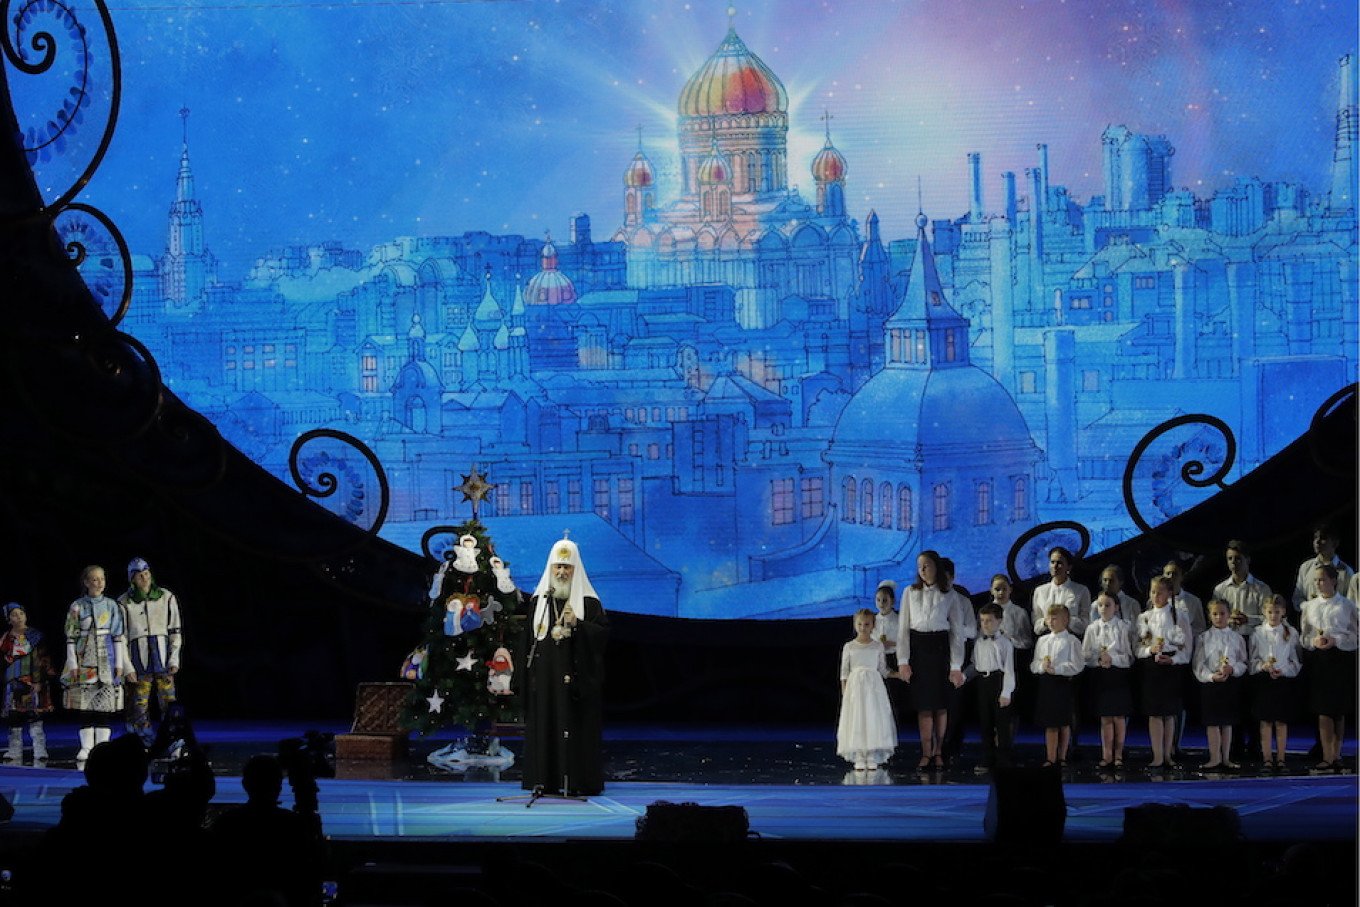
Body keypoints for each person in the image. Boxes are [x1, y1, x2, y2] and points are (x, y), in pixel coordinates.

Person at [516, 536, 609, 795]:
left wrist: (579, 626)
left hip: (575, 682)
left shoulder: (589, 603)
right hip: (544, 680)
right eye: (557, 566)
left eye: (567, 567)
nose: (561, 572)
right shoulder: (539, 602)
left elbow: (602, 637)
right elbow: (527, 644)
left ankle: (577, 782)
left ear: (575, 570)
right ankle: (542, 779)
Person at [210, 754, 327, 907]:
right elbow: (315, 869)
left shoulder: (226, 823)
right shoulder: (294, 825)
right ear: (279, 784)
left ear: (245, 784)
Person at [897, 550, 969, 771]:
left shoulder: (950, 595)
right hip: (919, 651)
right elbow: (903, 629)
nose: (923, 569)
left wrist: (955, 666)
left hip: (940, 650)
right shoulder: (910, 592)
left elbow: (957, 632)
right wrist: (903, 661)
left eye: (927, 565)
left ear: (936, 567)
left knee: (940, 706)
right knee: (924, 706)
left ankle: (939, 752)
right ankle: (926, 752)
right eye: (920, 566)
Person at [62, 565, 133, 767]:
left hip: (106, 658)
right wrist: (73, 664)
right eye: (94, 579)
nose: (99, 582)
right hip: (84, 659)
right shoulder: (77, 606)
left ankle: (103, 746)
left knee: (104, 704)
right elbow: (70, 638)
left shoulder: (111, 606)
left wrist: (119, 664)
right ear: (86, 582)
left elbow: (118, 636)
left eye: (101, 578)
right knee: (86, 704)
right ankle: (86, 747)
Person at [117, 557, 183, 745]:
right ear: (132, 579)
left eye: (146, 574)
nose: (144, 579)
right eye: (139, 576)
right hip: (139, 659)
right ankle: (142, 740)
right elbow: (120, 637)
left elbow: (175, 630)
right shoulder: (123, 602)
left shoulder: (165, 597)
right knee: (139, 703)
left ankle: (173, 738)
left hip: (161, 657)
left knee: (168, 701)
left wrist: (173, 659)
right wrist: (127, 666)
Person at [1299, 563, 1357, 773]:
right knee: (1323, 710)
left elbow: (1354, 635)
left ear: (1334, 581)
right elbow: (1304, 636)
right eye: (1316, 580)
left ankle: (1336, 754)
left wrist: (1336, 640)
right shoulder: (1309, 606)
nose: (1319, 584)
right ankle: (1326, 755)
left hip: (1339, 658)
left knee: (1338, 710)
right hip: (1319, 660)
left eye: (1322, 579)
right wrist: (1313, 641)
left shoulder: (1346, 605)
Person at [1136, 574, 1192, 771]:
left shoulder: (1180, 616)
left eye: (1160, 592)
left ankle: (1169, 754)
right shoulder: (1144, 617)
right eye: (1153, 592)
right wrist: (1149, 650)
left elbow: (1187, 649)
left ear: (1169, 593)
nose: (1156, 596)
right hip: (1152, 668)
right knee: (1154, 714)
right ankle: (1157, 755)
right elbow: (1137, 648)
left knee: (1169, 714)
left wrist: (1173, 659)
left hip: (1171, 668)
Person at [836, 609, 896, 771]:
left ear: (873, 626)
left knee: (872, 717)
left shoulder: (877, 646)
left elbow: (882, 669)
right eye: (860, 624)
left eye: (867, 624)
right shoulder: (849, 647)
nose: (863, 627)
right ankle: (860, 754)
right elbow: (844, 672)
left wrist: (897, 674)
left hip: (874, 688)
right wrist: (845, 692)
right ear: (855, 625)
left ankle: (871, 753)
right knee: (857, 718)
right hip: (856, 688)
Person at [1192, 599, 1248, 771]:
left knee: (1227, 722)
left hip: (1229, 683)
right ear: (1209, 616)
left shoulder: (1237, 638)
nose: (1219, 617)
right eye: (1215, 614)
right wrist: (1210, 676)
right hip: (1211, 684)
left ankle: (1226, 758)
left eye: (1222, 613)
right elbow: (1198, 664)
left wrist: (1232, 669)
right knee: (1213, 722)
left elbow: (1243, 662)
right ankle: (1214, 757)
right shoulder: (1203, 638)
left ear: (1229, 615)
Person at [1250, 594, 1302, 772]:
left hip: (1282, 681)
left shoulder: (1291, 633)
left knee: (1281, 721)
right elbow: (1252, 660)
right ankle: (1266, 758)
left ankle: (1280, 758)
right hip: (1264, 681)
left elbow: (1296, 661)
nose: (1273, 616)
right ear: (1264, 612)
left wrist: (1285, 670)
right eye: (1270, 612)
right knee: (1265, 722)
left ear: (1283, 612)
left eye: (1277, 612)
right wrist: (1262, 666)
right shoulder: (1257, 633)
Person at [1082, 592, 1133, 769]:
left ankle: (1119, 754)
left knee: (1118, 717)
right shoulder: (1092, 628)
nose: (1103, 609)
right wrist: (1097, 660)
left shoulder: (1123, 627)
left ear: (1116, 607)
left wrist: (1112, 659)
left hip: (1118, 675)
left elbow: (1128, 656)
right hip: (1100, 676)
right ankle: (1107, 755)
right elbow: (1085, 655)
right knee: (1105, 718)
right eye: (1100, 605)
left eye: (1108, 605)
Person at [0, 603, 55, 765]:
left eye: (20, 613)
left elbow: (43, 659)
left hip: (33, 680)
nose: (18, 617)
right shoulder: (5, 639)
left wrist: (40, 680)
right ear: (8, 619)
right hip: (13, 682)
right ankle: (14, 750)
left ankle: (40, 750)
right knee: (14, 718)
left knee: (35, 717)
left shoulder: (35, 636)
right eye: (14, 615)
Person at [1031, 603, 1082, 767]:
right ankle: (1050, 757)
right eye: (1049, 618)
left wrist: (1058, 669)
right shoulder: (1042, 640)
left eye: (1055, 618)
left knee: (1063, 722)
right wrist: (1042, 667)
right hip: (1047, 684)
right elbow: (1034, 664)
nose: (1051, 622)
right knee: (1050, 723)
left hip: (1063, 683)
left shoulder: (1072, 641)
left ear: (1065, 620)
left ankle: (1063, 756)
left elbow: (1077, 665)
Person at [971, 603, 1015, 774]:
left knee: (1002, 724)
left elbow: (1009, 670)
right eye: (982, 620)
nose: (985, 624)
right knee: (985, 722)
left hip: (999, 681)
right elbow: (975, 664)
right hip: (983, 682)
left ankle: (1004, 759)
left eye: (989, 620)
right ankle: (988, 757)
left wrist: (1006, 692)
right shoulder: (979, 642)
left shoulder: (1005, 643)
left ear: (999, 621)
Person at [1213, 541, 1272, 638]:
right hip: (1228, 639)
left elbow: (1270, 619)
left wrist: (1248, 620)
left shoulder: (1261, 589)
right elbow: (1214, 618)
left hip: (1254, 640)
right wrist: (1227, 620)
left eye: (1238, 558)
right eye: (1230, 559)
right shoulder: (1220, 589)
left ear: (1247, 559)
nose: (1233, 562)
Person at [1031, 546, 1091, 638]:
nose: (1055, 566)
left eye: (1059, 563)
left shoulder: (1081, 590)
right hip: (1047, 640)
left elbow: (1085, 623)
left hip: (1072, 640)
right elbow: (1036, 625)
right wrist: (1045, 622)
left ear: (1069, 567)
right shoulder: (1040, 591)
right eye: (1052, 562)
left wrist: (1066, 620)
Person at [1292, 524, 1355, 611]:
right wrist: (1309, 608)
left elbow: (1351, 602)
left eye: (1323, 538)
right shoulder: (1306, 567)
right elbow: (1298, 598)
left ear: (1335, 543)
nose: (1317, 541)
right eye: (1315, 538)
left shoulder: (1346, 572)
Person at [1162, 560, 1205, 638]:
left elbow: (1200, 628)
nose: (1171, 576)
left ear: (1181, 577)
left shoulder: (1194, 601)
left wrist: (1186, 633)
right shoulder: (1155, 601)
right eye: (1168, 573)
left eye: (1174, 573)